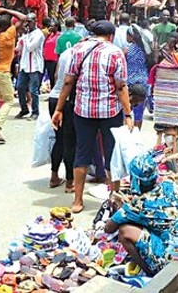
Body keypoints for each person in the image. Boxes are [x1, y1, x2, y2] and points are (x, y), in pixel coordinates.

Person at [51, 20, 134, 213]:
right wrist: (128, 113)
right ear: (111, 36)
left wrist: (59, 109)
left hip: (83, 111)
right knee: (112, 154)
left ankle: (78, 201)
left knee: (82, 153)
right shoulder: (115, 53)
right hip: (110, 111)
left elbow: (67, 82)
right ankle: (114, 199)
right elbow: (121, 86)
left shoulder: (78, 50)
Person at [104, 154, 178, 276]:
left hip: (176, 254)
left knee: (124, 231)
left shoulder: (138, 205)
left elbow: (108, 228)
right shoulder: (169, 185)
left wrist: (121, 208)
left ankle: (151, 273)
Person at [0, 7, 27, 143]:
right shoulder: (9, 34)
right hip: (2, 71)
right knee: (9, 100)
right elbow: (23, 18)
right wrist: (6, 10)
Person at [48, 38, 80, 193]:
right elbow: (70, 82)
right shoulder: (79, 54)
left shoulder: (65, 53)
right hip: (66, 100)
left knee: (58, 140)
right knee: (70, 142)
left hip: (54, 97)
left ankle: (54, 176)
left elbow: (55, 76)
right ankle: (69, 182)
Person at [17, 13, 45, 120]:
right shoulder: (26, 35)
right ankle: (24, 109)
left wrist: (25, 36)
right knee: (20, 87)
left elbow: (30, 47)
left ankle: (35, 112)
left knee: (33, 90)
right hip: (24, 65)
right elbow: (19, 47)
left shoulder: (39, 34)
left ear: (35, 21)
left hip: (35, 66)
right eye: (26, 21)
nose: (27, 24)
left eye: (29, 21)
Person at [124, 25, 151, 130]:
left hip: (130, 82)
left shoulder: (127, 50)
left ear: (131, 36)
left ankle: (128, 134)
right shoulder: (146, 50)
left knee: (127, 111)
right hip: (144, 82)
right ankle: (137, 135)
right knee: (139, 113)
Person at [43, 21, 61, 90]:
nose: (50, 27)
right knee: (49, 77)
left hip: (54, 59)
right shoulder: (49, 35)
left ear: (56, 27)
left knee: (53, 77)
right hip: (46, 58)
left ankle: (54, 92)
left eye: (52, 26)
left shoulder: (59, 36)